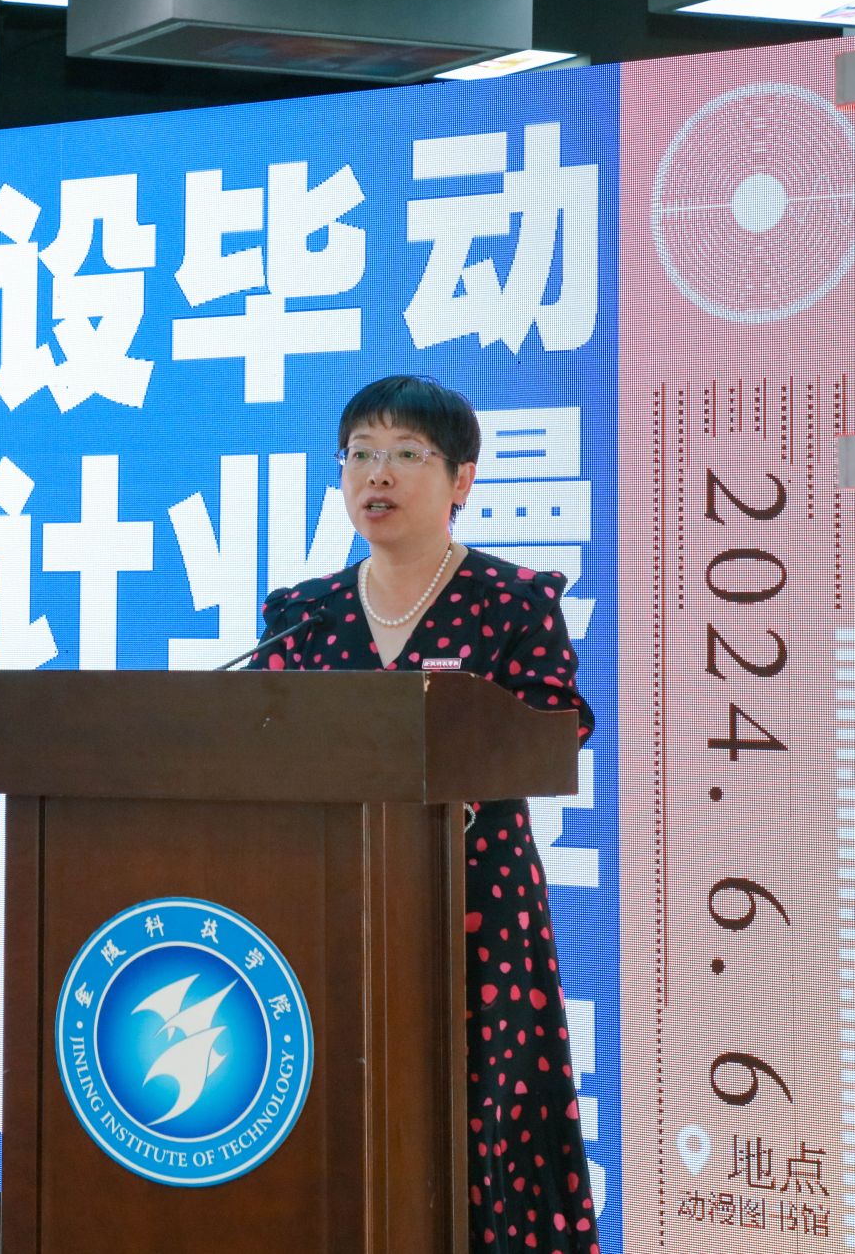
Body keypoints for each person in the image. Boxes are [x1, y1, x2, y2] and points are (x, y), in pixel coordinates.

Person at [258, 374, 600, 1254]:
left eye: (408, 453)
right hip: (331, 906)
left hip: (475, 905)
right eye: (361, 454)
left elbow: (555, 732)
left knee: (483, 1110)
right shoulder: (302, 615)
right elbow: (258, 745)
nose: (378, 473)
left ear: (461, 479)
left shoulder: (514, 600)